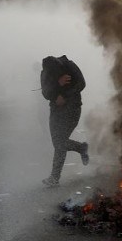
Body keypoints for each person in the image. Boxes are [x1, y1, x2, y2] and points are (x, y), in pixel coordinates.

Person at [40, 55, 88, 187]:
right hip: (56, 111)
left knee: (60, 143)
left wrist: (65, 95)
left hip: (73, 109)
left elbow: (82, 83)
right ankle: (81, 147)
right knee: (58, 142)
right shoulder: (45, 72)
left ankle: (54, 177)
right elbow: (45, 93)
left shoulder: (69, 65)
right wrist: (58, 84)